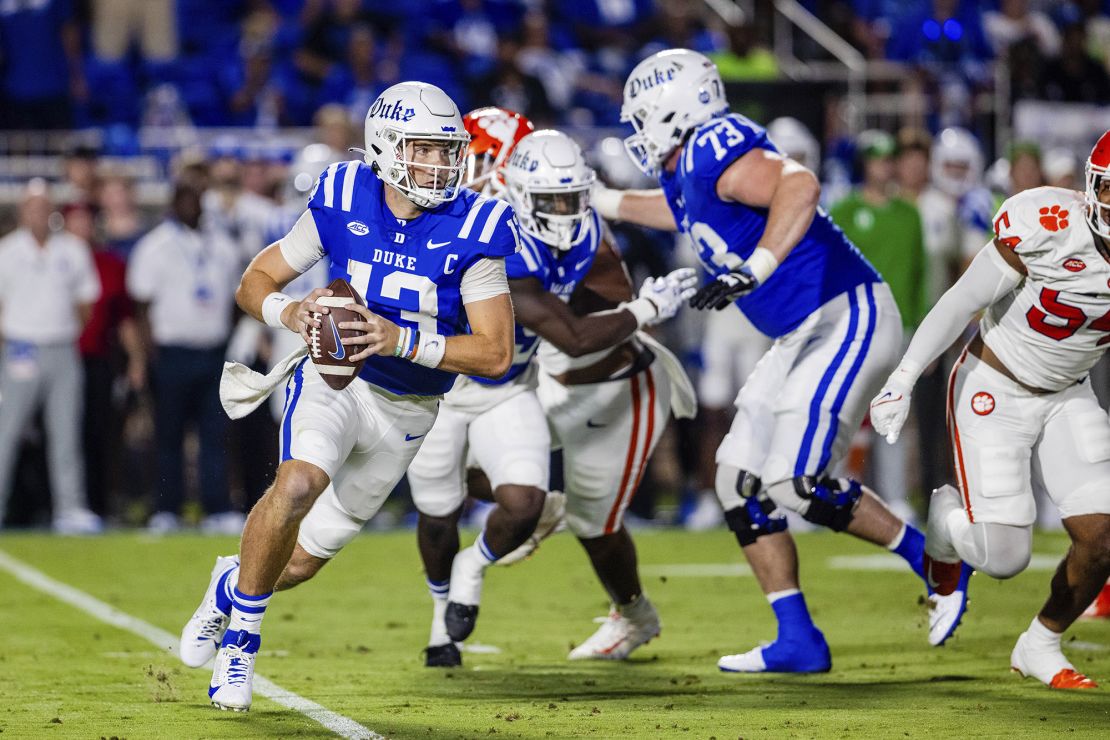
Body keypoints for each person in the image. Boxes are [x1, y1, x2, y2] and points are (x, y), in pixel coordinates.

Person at [592, 49, 967, 674]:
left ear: (672, 108)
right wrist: (599, 199)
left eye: (642, 117)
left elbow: (798, 184)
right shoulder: (690, 169)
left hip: (843, 311)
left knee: (793, 481)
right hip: (802, 330)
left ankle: (937, 562)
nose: (637, 131)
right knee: (736, 482)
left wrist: (756, 266)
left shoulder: (716, 143)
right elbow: (677, 210)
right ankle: (798, 638)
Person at [179, 81, 519, 713]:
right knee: (299, 483)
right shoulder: (342, 192)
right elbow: (257, 279)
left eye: (448, 152)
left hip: (409, 408)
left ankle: (229, 584)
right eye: (425, 151)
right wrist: (292, 312)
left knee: (301, 564)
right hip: (338, 379)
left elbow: (496, 351)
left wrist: (401, 340)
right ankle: (241, 650)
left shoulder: (477, 223)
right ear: (387, 150)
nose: (441, 166)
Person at [410, 119, 696, 667]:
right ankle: (447, 606)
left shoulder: (576, 230)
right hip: (474, 376)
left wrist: (639, 310)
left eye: (475, 161)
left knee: (583, 518)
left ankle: (628, 610)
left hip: (581, 380)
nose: (459, 175)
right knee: (442, 498)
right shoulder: (474, 220)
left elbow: (585, 319)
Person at [870, 131, 1110, 690]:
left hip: (1069, 394)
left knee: (1102, 537)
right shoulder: (1046, 223)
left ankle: (1041, 643)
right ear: (1093, 188)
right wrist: (903, 378)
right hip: (995, 386)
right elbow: (961, 299)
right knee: (1004, 557)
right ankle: (947, 524)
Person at [127, 182, 242, 534]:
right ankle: (166, 508)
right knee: (168, 436)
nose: (192, 206)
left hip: (213, 350)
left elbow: (237, 299)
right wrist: (148, 357)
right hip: (171, 352)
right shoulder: (155, 246)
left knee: (214, 435)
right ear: (174, 204)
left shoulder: (222, 245)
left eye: (196, 199)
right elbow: (141, 306)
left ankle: (217, 507)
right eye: (186, 199)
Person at [829, 129, 927, 522]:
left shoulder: (909, 214)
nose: (883, 166)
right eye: (876, 159)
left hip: (900, 325)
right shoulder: (845, 211)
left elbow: (921, 275)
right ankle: (831, 487)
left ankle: (895, 496)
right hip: (855, 326)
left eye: (888, 159)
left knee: (894, 413)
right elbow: (831, 271)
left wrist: (922, 331)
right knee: (844, 412)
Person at [0, 180, 102, 533]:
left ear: (52, 212)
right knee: (6, 431)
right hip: (20, 348)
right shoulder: (8, 252)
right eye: (32, 207)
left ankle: (70, 508)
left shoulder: (72, 250)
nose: (38, 214)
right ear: (21, 211)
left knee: (66, 432)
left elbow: (86, 303)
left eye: (44, 207)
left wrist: (60, 329)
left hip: (62, 348)